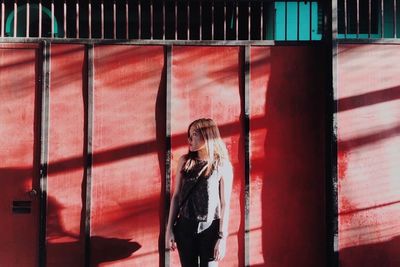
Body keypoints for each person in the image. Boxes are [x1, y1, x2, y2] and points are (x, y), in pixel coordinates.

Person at [166, 118, 234, 267]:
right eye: (189, 135)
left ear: (207, 135)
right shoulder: (185, 161)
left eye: (194, 134)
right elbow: (176, 196)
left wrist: (222, 238)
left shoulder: (222, 164)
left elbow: (225, 204)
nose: (189, 139)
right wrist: (169, 230)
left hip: (211, 229)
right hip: (185, 228)